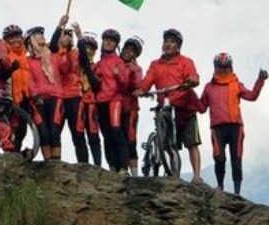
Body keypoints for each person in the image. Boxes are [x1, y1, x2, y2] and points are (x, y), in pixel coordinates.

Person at [134, 28, 202, 182]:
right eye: (166, 41)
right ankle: (171, 170)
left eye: (172, 42)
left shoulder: (185, 62)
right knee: (169, 144)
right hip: (164, 105)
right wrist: (141, 90)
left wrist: (191, 81)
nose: (168, 44)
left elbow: (193, 77)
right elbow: (146, 82)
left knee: (192, 143)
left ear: (178, 46)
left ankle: (197, 176)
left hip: (184, 107)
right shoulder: (155, 64)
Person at [195, 53, 268, 195]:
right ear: (215, 67)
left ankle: (237, 192)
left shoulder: (236, 84)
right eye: (219, 67)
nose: (222, 70)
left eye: (225, 67)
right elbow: (202, 107)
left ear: (230, 67)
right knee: (219, 158)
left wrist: (260, 80)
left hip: (235, 126)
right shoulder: (209, 87)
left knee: (237, 159)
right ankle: (220, 186)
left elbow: (252, 96)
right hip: (217, 127)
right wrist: (190, 96)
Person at [82, 28, 130, 172]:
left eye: (112, 41)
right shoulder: (99, 63)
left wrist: (118, 75)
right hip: (100, 102)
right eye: (106, 39)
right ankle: (113, 166)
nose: (108, 42)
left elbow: (125, 84)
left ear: (116, 45)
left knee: (117, 132)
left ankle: (123, 167)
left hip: (115, 101)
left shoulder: (119, 62)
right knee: (106, 136)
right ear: (102, 41)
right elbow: (95, 84)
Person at [25, 26, 70, 160]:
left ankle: (57, 163)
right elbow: (29, 80)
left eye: (41, 34)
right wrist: (34, 94)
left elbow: (66, 68)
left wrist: (64, 52)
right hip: (37, 100)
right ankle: (48, 163)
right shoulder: (27, 61)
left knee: (54, 131)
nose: (41, 36)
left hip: (56, 97)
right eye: (37, 35)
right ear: (30, 42)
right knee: (43, 132)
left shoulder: (54, 57)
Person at [48, 15, 88, 164]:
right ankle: (54, 163)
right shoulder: (53, 55)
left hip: (74, 97)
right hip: (58, 97)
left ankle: (83, 165)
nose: (66, 38)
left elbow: (85, 60)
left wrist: (80, 37)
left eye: (68, 36)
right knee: (54, 131)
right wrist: (59, 26)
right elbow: (52, 44)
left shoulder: (76, 54)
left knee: (77, 133)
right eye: (63, 36)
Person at [74, 27, 102, 167]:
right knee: (78, 134)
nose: (89, 50)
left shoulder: (97, 66)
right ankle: (83, 164)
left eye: (92, 48)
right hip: (77, 101)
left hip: (91, 102)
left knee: (93, 134)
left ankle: (97, 165)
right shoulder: (74, 64)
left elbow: (97, 84)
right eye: (86, 47)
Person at [2, 24, 32, 151]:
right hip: (11, 96)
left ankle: (17, 153)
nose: (15, 40)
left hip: (27, 97)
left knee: (22, 129)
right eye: (11, 38)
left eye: (18, 36)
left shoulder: (28, 54)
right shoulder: (5, 56)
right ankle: (10, 154)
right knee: (10, 128)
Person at [120, 36, 145, 175]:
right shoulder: (114, 63)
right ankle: (119, 168)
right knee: (117, 139)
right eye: (127, 48)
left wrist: (131, 71)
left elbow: (137, 86)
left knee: (130, 139)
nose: (128, 52)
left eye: (132, 51)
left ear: (136, 55)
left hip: (130, 108)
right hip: (114, 106)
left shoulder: (137, 69)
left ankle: (135, 174)